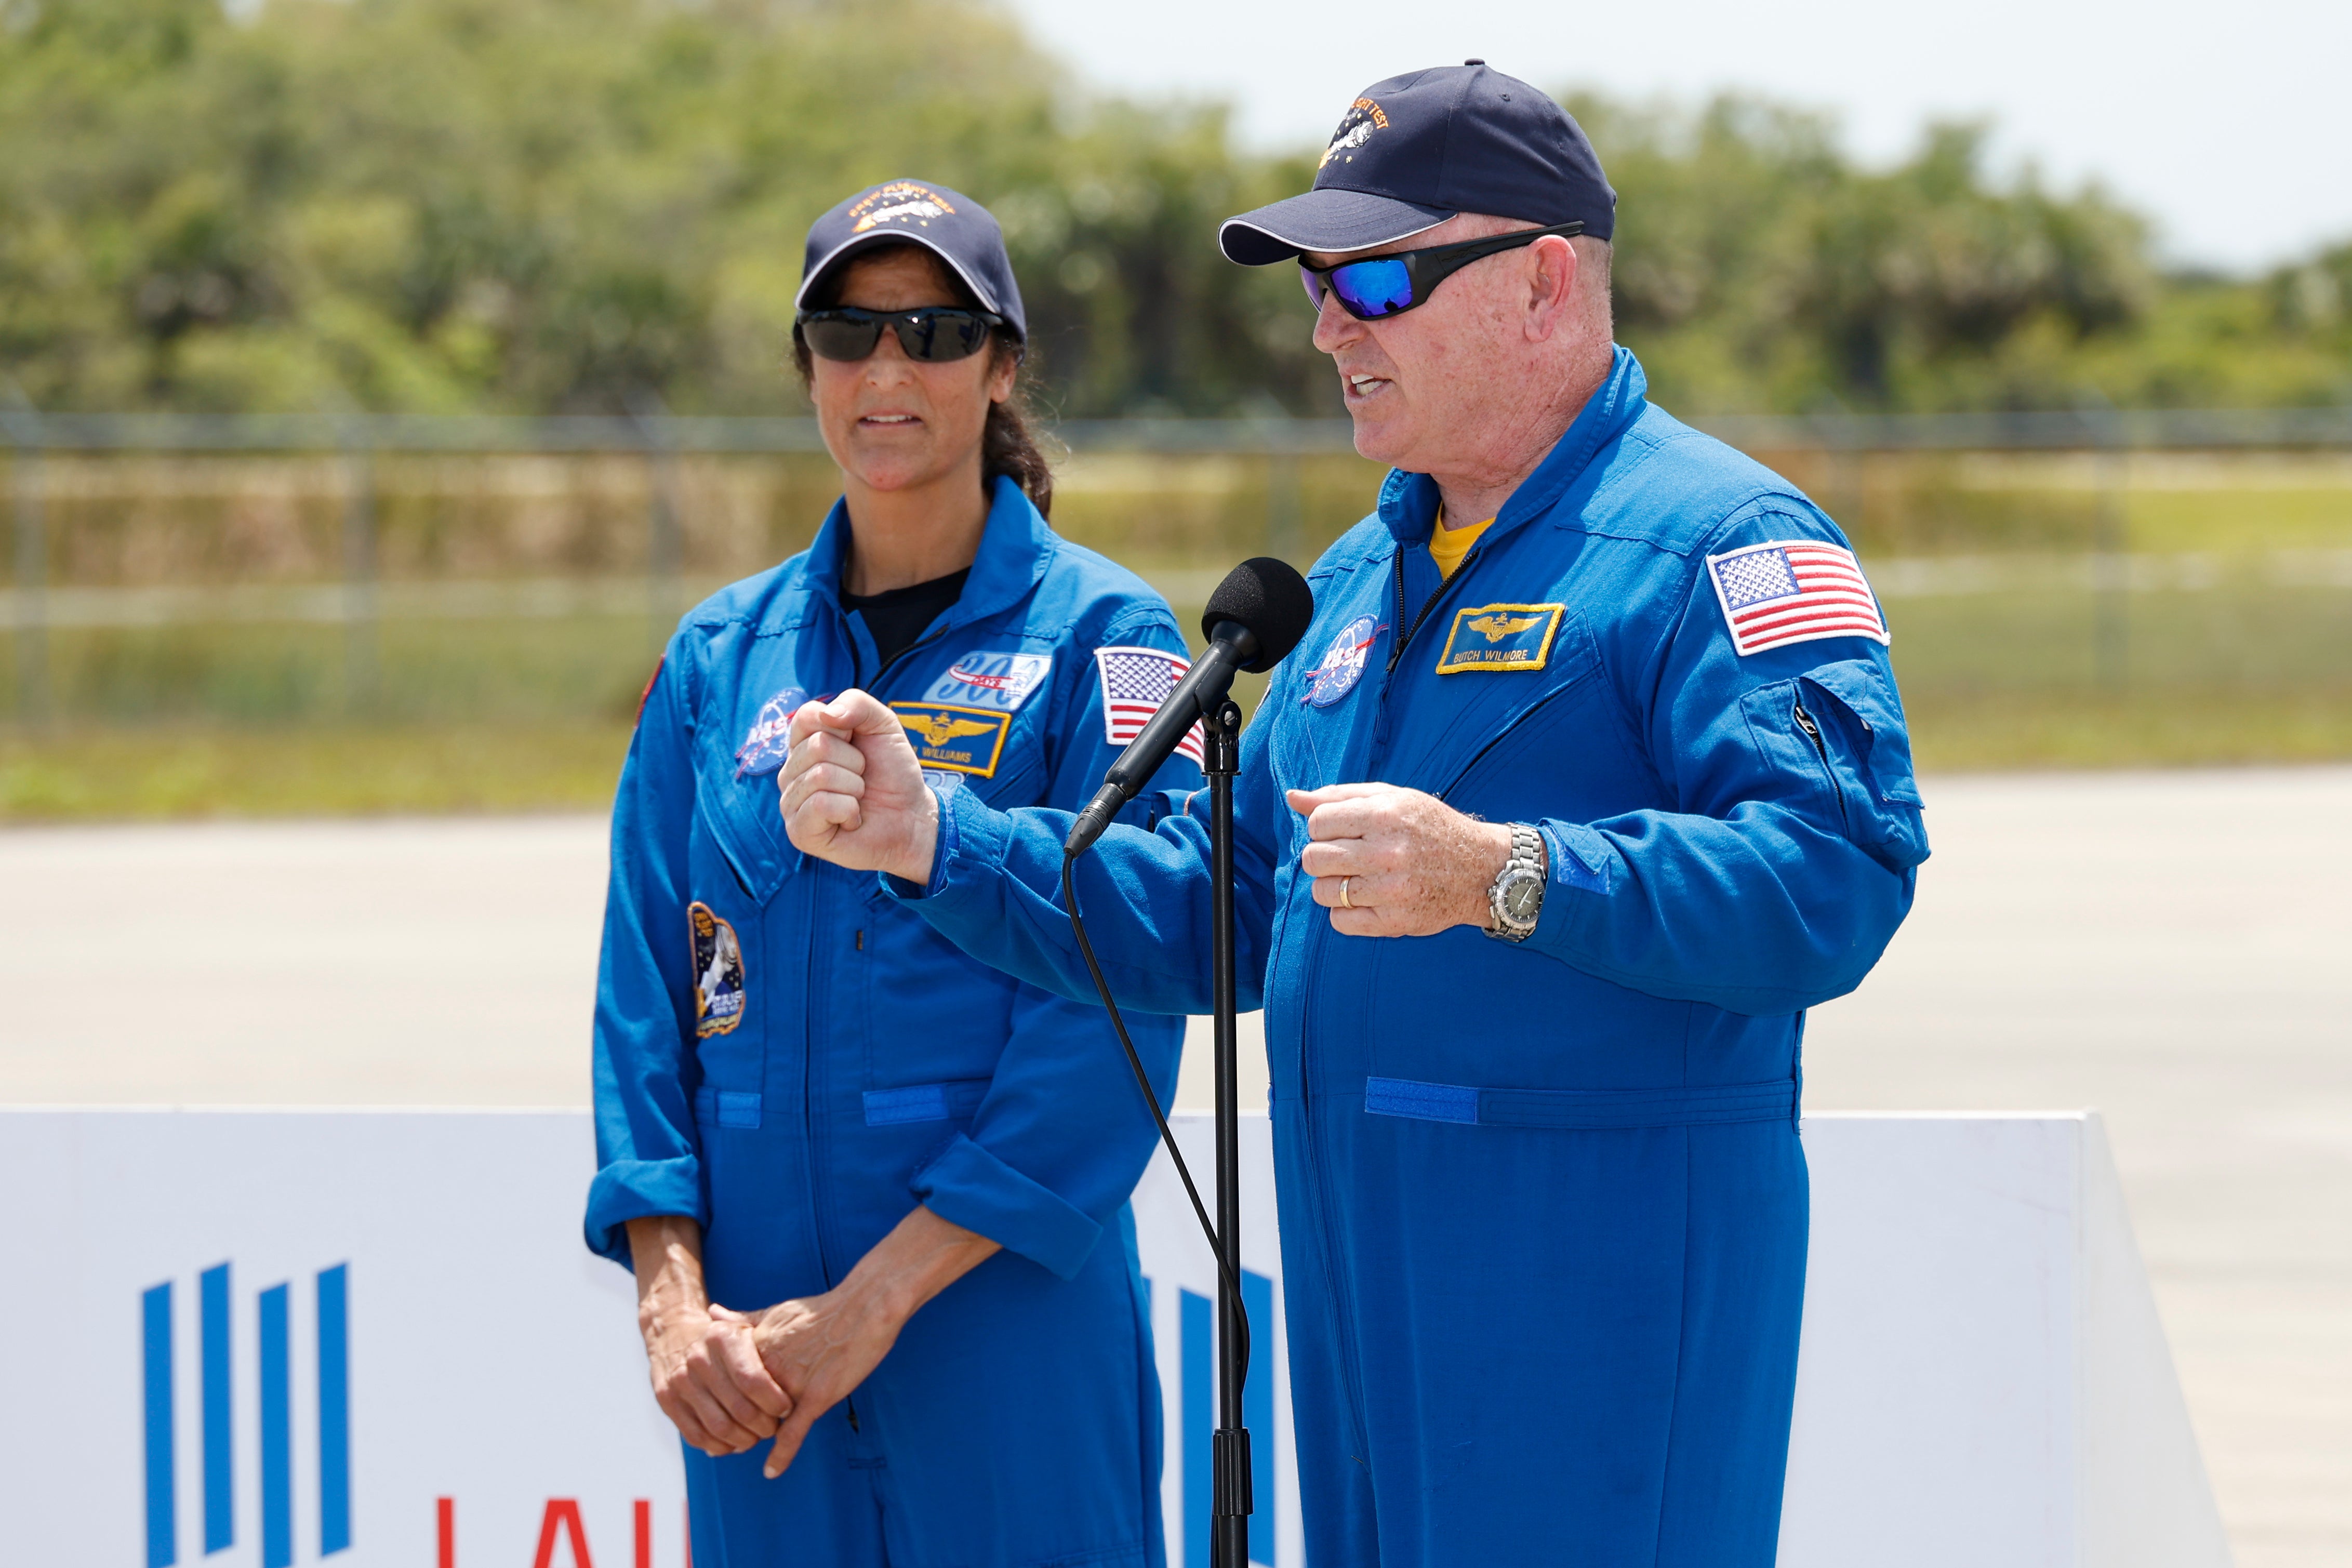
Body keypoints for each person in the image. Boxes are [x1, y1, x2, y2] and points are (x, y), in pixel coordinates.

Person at [778, 69, 1931, 1568]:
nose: (1331, 326)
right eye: (1322, 284)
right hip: (1357, 1290)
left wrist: (1507, 873)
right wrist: (932, 837)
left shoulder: (1720, 542)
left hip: (1596, 1292)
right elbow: (1236, 909)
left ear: (1542, 284)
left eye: (1377, 277)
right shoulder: (1350, 589)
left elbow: (1837, 871)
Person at [585, 179, 1200, 1568]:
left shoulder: (1106, 637)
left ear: (1000, 365)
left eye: (932, 331)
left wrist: (875, 1301)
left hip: (998, 1322)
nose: (887, 371)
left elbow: (1116, 1002)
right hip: (757, 1353)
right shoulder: (717, 656)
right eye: (847, 333)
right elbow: (646, 997)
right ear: (805, 366)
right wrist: (675, 1306)